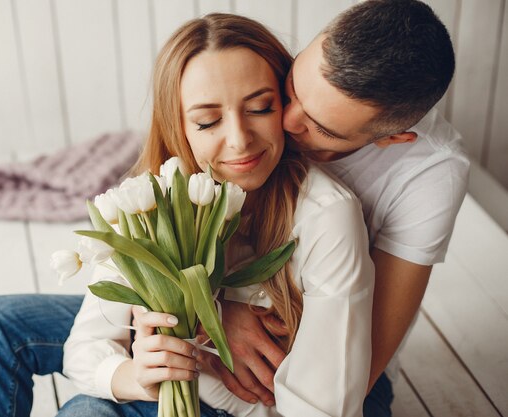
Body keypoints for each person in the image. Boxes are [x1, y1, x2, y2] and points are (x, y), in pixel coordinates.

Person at [0, 1, 470, 416]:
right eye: (288, 93)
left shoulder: (413, 182)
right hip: (200, 340)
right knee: (4, 327)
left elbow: (346, 378)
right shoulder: (167, 187)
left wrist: (205, 336)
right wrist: (202, 320)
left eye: (264, 107)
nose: (284, 125)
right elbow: (94, 341)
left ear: (393, 138)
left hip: (292, 363)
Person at [56, 12, 373, 417]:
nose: (240, 141)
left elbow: (325, 405)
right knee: (79, 406)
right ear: (179, 128)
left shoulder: (325, 215)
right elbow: (84, 350)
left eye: (260, 107)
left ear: (286, 103)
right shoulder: (152, 206)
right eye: (208, 121)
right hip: (181, 393)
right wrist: (140, 374)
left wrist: (211, 324)